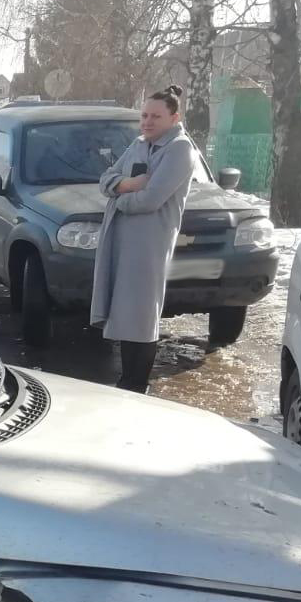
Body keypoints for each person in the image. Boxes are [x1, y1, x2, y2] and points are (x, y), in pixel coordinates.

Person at [90, 84, 196, 393]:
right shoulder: (139, 144)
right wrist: (127, 184)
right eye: (144, 115)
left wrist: (119, 199)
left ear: (174, 118)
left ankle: (137, 382)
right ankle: (127, 379)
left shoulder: (179, 149)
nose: (147, 122)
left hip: (151, 242)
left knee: (142, 312)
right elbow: (105, 180)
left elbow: (152, 199)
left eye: (156, 117)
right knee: (123, 309)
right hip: (123, 239)